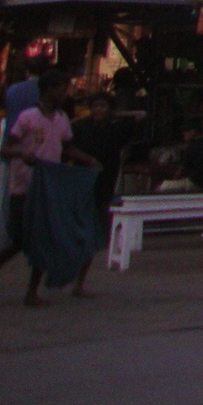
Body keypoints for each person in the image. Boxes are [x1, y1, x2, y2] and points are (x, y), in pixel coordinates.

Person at [0, 71, 98, 306]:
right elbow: (6, 150)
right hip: (23, 185)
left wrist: (88, 160)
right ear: (49, 89)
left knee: (43, 238)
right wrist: (22, 153)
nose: (65, 94)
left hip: (49, 187)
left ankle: (31, 292)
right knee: (20, 239)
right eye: (62, 89)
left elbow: (67, 147)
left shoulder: (61, 119)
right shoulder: (27, 117)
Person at [69, 93, 137, 300]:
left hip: (104, 187)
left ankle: (79, 283)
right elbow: (65, 137)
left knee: (92, 236)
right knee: (75, 233)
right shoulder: (81, 128)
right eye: (95, 106)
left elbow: (140, 115)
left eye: (104, 106)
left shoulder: (115, 129)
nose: (100, 110)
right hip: (80, 186)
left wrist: (115, 114)